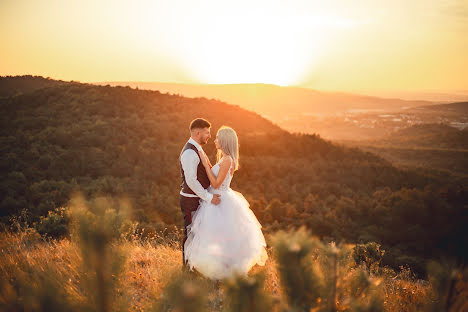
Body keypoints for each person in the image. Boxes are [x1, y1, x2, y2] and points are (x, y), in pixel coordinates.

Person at [184, 125, 268, 280]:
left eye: (217, 138)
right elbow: (216, 174)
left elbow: (216, 184)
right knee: (213, 237)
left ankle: (223, 273)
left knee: (219, 237)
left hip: (219, 199)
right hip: (215, 198)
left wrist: (204, 164)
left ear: (224, 141)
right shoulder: (224, 158)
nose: (214, 140)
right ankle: (214, 270)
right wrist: (208, 163)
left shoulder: (228, 160)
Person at [179, 118, 221, 268]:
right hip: (191, 200)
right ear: (198, 132)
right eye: (207, 132)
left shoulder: (197, 148)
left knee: (199, 235)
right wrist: (209, 198)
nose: (209, 136)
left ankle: (196, 267)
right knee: (191, 235)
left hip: (197, 199)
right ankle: (187, 269)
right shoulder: (190, 152)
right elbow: (191, 181)